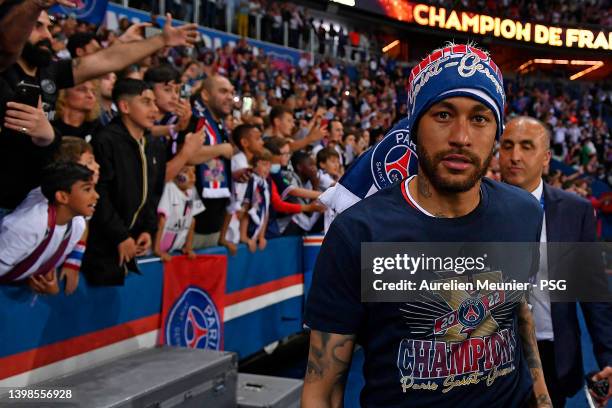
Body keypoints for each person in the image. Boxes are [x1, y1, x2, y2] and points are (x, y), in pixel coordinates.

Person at [303, 44, 551, 407]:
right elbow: (322, 388)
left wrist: (543, 400)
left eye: (480, 118)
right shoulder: (358, 233)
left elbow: (520, 313)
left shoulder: (524, 212)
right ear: (415, 126)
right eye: (443, 114)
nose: (461, 137)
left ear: (495, 131)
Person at [499, 116, 612, 407]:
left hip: (554, 354)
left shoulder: (576, 211)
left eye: (526, 146)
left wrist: (607, 357)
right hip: (490, 355)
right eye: (507, 146)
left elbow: (592, 290)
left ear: (547, 157)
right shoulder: (471, 207)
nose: (514, 156)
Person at [81, 79, 159, 286]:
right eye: (146, 102)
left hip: (133, 242)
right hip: (103, 245)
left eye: (154, 103)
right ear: (124, 106)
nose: (155, 109)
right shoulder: (105, 140)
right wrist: (120, 236)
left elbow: (152, 192)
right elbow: (100, 194)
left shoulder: (153, 143)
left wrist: (147, 230)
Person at [0, 161, 94, 285]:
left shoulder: (78, 224)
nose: (96, 195)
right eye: (87, 189)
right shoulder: (29, 225)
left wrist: (46, 283)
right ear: (62, 197)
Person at [190, 74, 235, 249]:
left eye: (231, 92)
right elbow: (186, 155)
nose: (230, 97)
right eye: (223, 91)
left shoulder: (220, 125)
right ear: (206, 95)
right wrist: (221, 149)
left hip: (214, 224)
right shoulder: (195, 120)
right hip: (191, 226)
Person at [154, 165, 205, 262]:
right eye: (186, 172)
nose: (192, 176)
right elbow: (161, 220)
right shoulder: (170, 187)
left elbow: (192, 220)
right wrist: (157, 250)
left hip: (174, 248)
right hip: (158, 249)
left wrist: (188, 247)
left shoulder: (192, 190)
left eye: (193, 171)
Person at [240, 150, 272, 253]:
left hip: (256, 232)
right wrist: (244, 237)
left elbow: (265, 211)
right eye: (264, 164)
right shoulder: (251, 181)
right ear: (254, 165)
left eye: (269, 165)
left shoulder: (266, 183)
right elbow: (247, 209)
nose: (267, 168)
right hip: (244, 231)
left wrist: (261, 236)